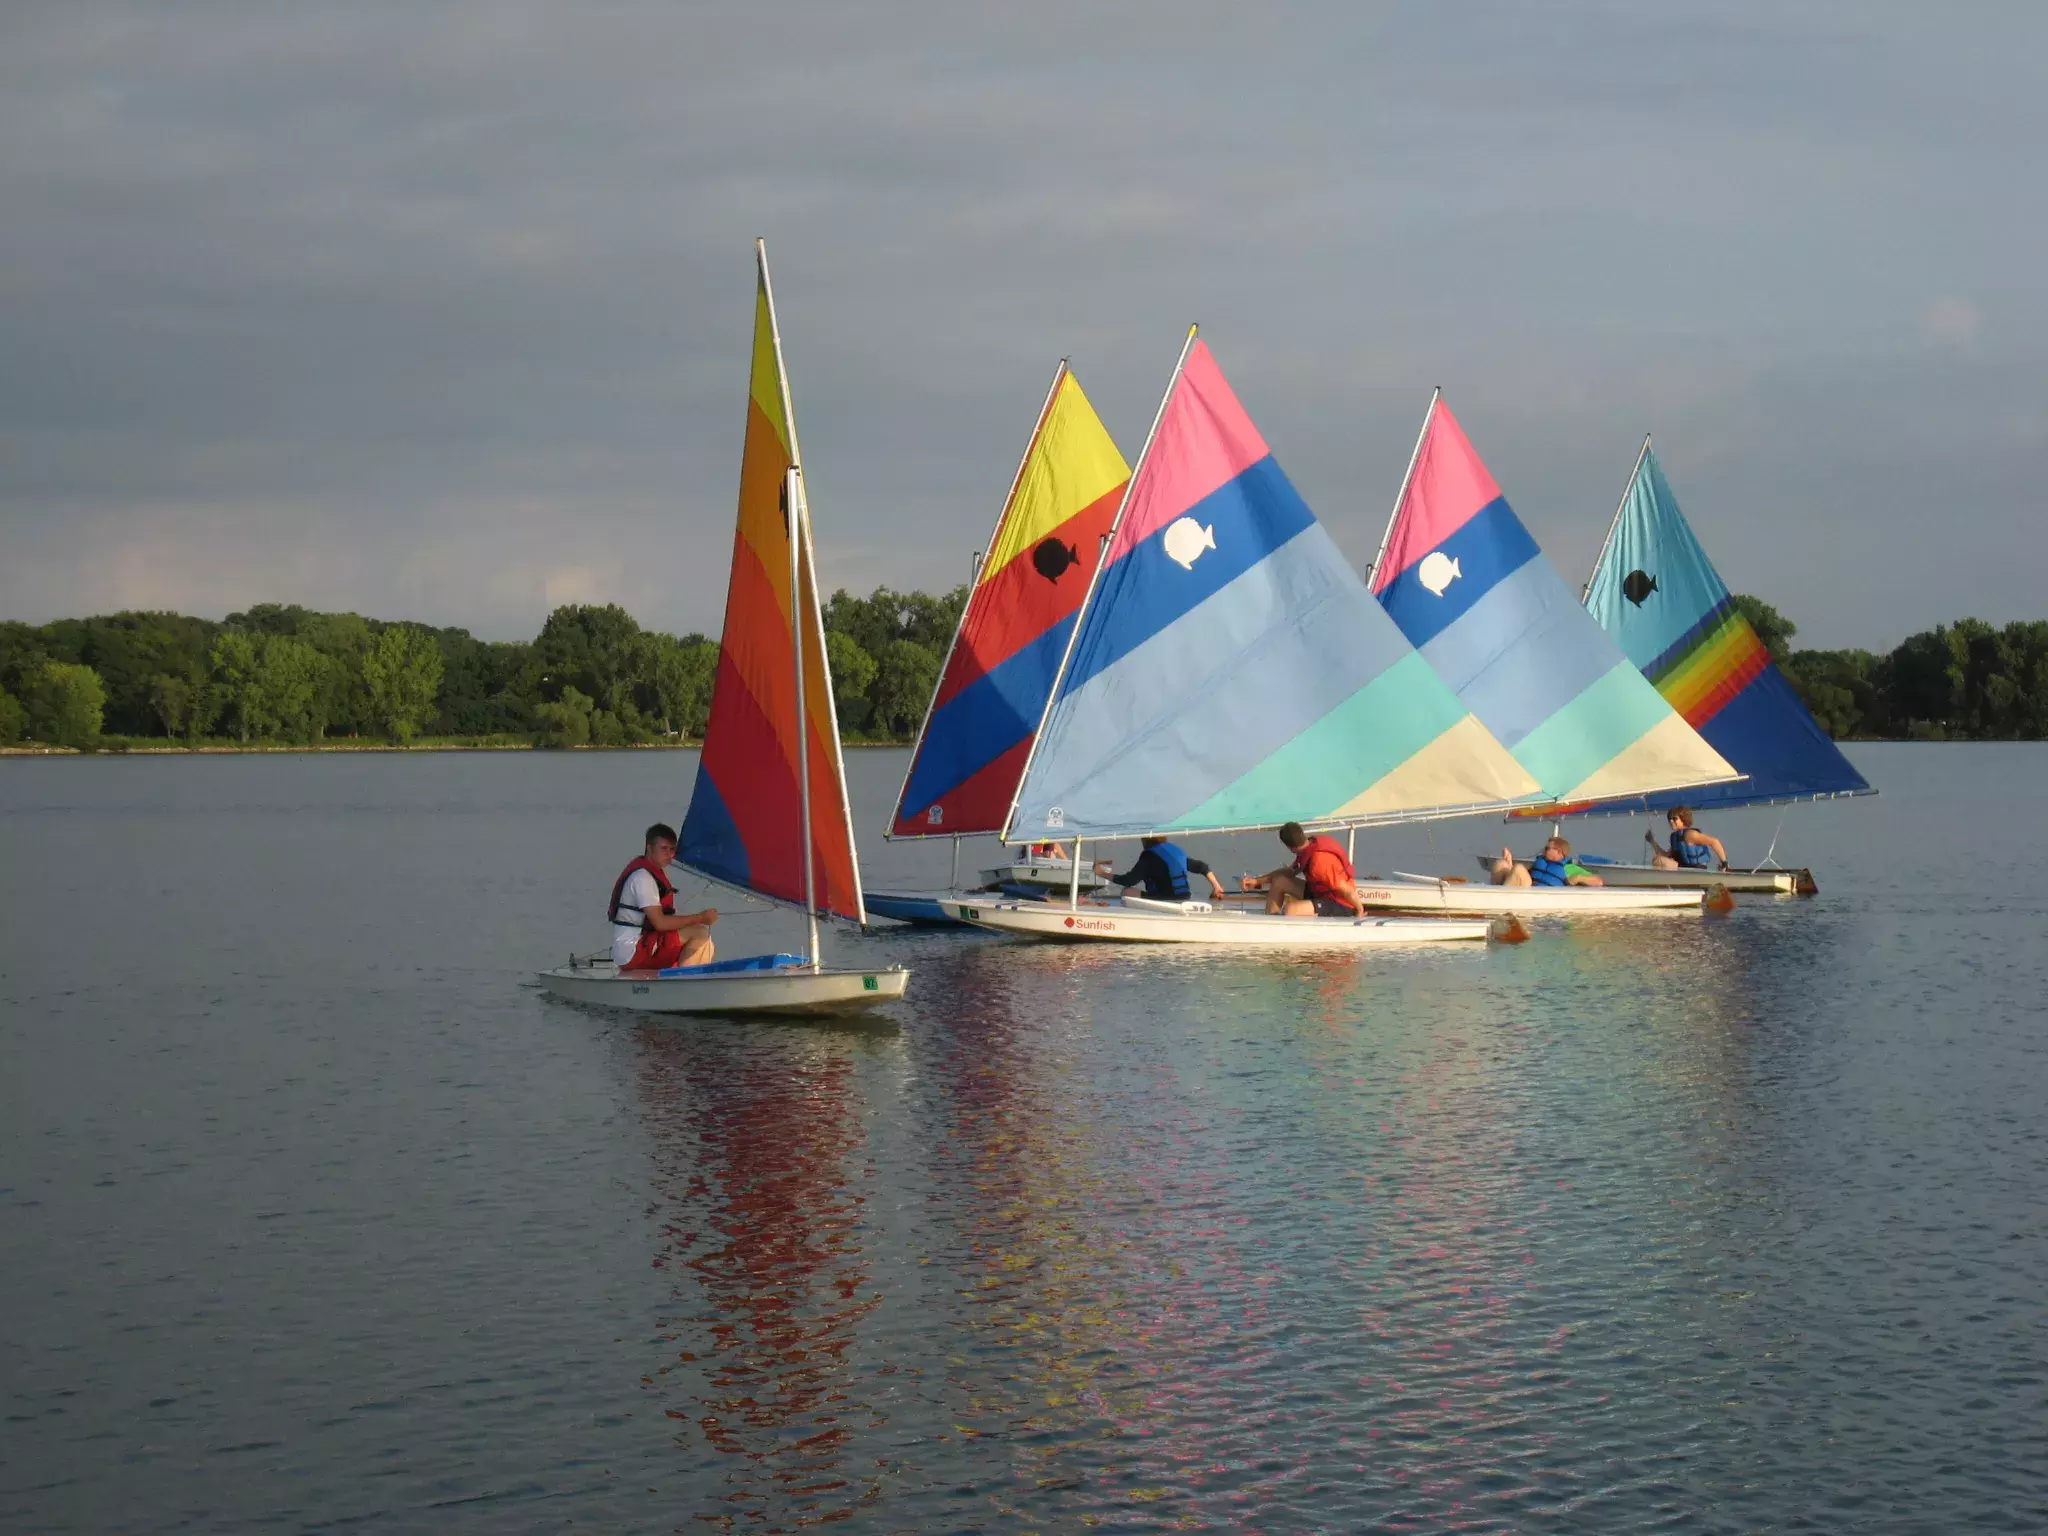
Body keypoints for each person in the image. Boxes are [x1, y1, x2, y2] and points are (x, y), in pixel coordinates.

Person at [609, 823, 718, 971]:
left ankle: (681, 977)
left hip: (641, 945)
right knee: (700, 933)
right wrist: (700, 917)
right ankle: (684, 986)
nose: (669, 854)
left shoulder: (653, 873)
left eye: (672, 849)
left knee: (706, 945)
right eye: (664, 849)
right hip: (633, 951)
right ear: (649, 848)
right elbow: (660, 923)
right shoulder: (642, 878)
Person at [1242, 821, 1365, 918]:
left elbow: (1345, 889)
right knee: (1280, 881)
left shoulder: (1319, 861)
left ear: (1289, 847)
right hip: (1319, 894)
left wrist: (1359, 910)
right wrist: (1257, 882)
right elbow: (1289, 872)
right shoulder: (1307, 847)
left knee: (1290, 909)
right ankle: (1270, 920)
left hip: (1340, 903)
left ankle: (1282, 926)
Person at [1093, 834, 1226, 901]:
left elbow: (1129, 880)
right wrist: (1216, 886)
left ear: (1145, 840)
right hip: (1185, 897)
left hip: (1166, 900)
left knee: (1127, 891)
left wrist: (1101, 873)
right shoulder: (1175, 852)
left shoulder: (1149, 856)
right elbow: (1202, 867)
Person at [1491, 835, 1605, 887]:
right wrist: (1509, 866)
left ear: (1560, 852)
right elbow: (1527, 875)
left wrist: (1579, 878)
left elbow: (1599, 881)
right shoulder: (1541, 861)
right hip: (1529, 888)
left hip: (1537, 895)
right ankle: (1494, 893)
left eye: (1548, 848)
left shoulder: (1568, 868)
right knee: (1500, 864)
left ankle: (1499, 897)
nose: (1545, 850)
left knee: (1519, 868)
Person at [1649, 806, 1729, 871]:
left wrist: (1724, 863)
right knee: (1658, 860)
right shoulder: (1676, 837)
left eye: (1674, 819)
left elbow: (1714, 842)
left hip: (1696, 869)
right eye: (1669, 819)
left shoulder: (1690, 834)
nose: (1671, 821)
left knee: (1658, 860)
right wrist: (1652, 841)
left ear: (1683, 819)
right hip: (1684, 868)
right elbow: (1665, 855)